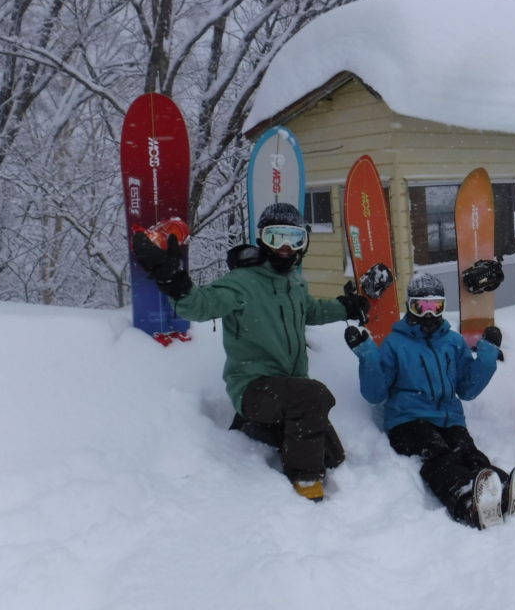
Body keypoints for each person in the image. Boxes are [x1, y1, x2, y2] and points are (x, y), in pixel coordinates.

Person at [131, 202, 371, 502]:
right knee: (314, 396)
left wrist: (346, 307)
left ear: (304, 243)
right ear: (262, 240)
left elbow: (309, 310)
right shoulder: (242, 283)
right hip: (254, 388)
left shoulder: (293, 283)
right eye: (276, 237)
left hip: (288, 389)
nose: (285, 247)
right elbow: (200, 305)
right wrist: (173, 281)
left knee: (332, 456)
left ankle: (256, 428)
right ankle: (306, 481)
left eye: (294, 238)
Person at [344, 273, 515, 530]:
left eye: (435, 306)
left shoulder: (453, 342)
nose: (428, 314)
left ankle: (501, 489)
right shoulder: (395, 344)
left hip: (449, 418)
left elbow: (467, 389)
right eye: (420, 307)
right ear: (409, 307)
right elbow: (375, 394)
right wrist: (367, 356)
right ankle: (466, 499)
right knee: (438, 455)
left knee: (468, 452)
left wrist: (487, 356)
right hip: (408, 421)